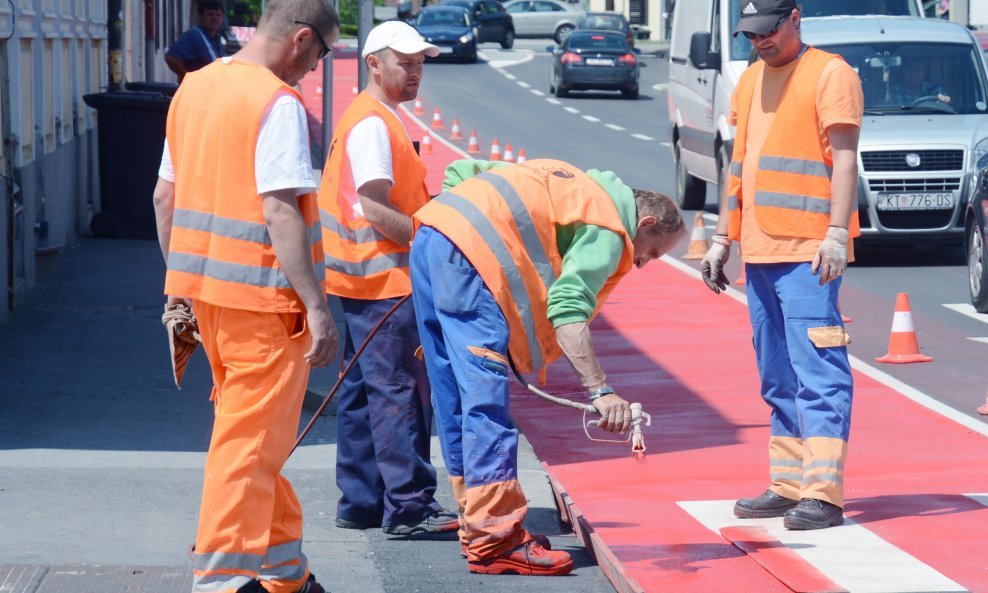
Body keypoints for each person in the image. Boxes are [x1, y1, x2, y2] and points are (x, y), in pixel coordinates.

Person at [410, 158, 685, 575]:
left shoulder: (568, 180)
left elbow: (461, 170)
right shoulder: (609, 228)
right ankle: (497, 539)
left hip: (433, 235)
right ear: (643, 222)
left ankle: (478, 522)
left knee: (454, 395)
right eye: (650, 252)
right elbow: (568, 309)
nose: (642, 264)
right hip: (468, 261)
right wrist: (601, 391)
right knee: (484, 399)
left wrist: (452, 240)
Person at [151, 1, 340, 591]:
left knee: (259, 439)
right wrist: (316, 305)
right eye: (321, 55)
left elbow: (164, 198)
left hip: (210, 302)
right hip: (266, 306)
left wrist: (182, 285)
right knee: (249, 444)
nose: (315, 68)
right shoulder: (275, 102)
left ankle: (286, 573)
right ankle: (222, 580)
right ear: (301, 39)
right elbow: (280, 210)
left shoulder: (195, 88)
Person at [701, 0, 862, 531]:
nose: (759, 43)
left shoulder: (830, 74)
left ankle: (823, 494)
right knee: (776, 374)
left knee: (818, 370)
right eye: (750, 36)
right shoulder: (748, 80)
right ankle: (789, 483)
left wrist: (837, 233)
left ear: (794, 18)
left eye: (767, 33)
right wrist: (723, 237)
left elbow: (844, 157)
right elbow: (739, 164)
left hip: (810, 252)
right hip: (761, 250)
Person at [316, 21, 458, 536]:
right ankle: (410, 505)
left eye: (420, 62)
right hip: (386, 284)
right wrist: (427, 242)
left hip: (362, 282)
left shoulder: (374, 117)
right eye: (406, 62)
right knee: (399, 392)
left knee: (362, 392)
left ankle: (361, 501)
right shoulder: (374, 123)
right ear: (374, 63)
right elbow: (375, 208)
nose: (416, 71)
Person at [166, 1, 226, 81]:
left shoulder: (218, 40)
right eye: (210, 14)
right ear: (201, 17)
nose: (214, 18)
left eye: (218, 15)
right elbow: (170, 57)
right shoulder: (193, 35)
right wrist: (188, 78)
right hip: (195, 90)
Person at [884, 59, 950, 106]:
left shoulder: (935, 90)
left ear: (925, 73)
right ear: (902, 72)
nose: (913, 74)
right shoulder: (891, 92)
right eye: (909, 69)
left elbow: (947, 107)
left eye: (918, 70)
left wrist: (943, 99)